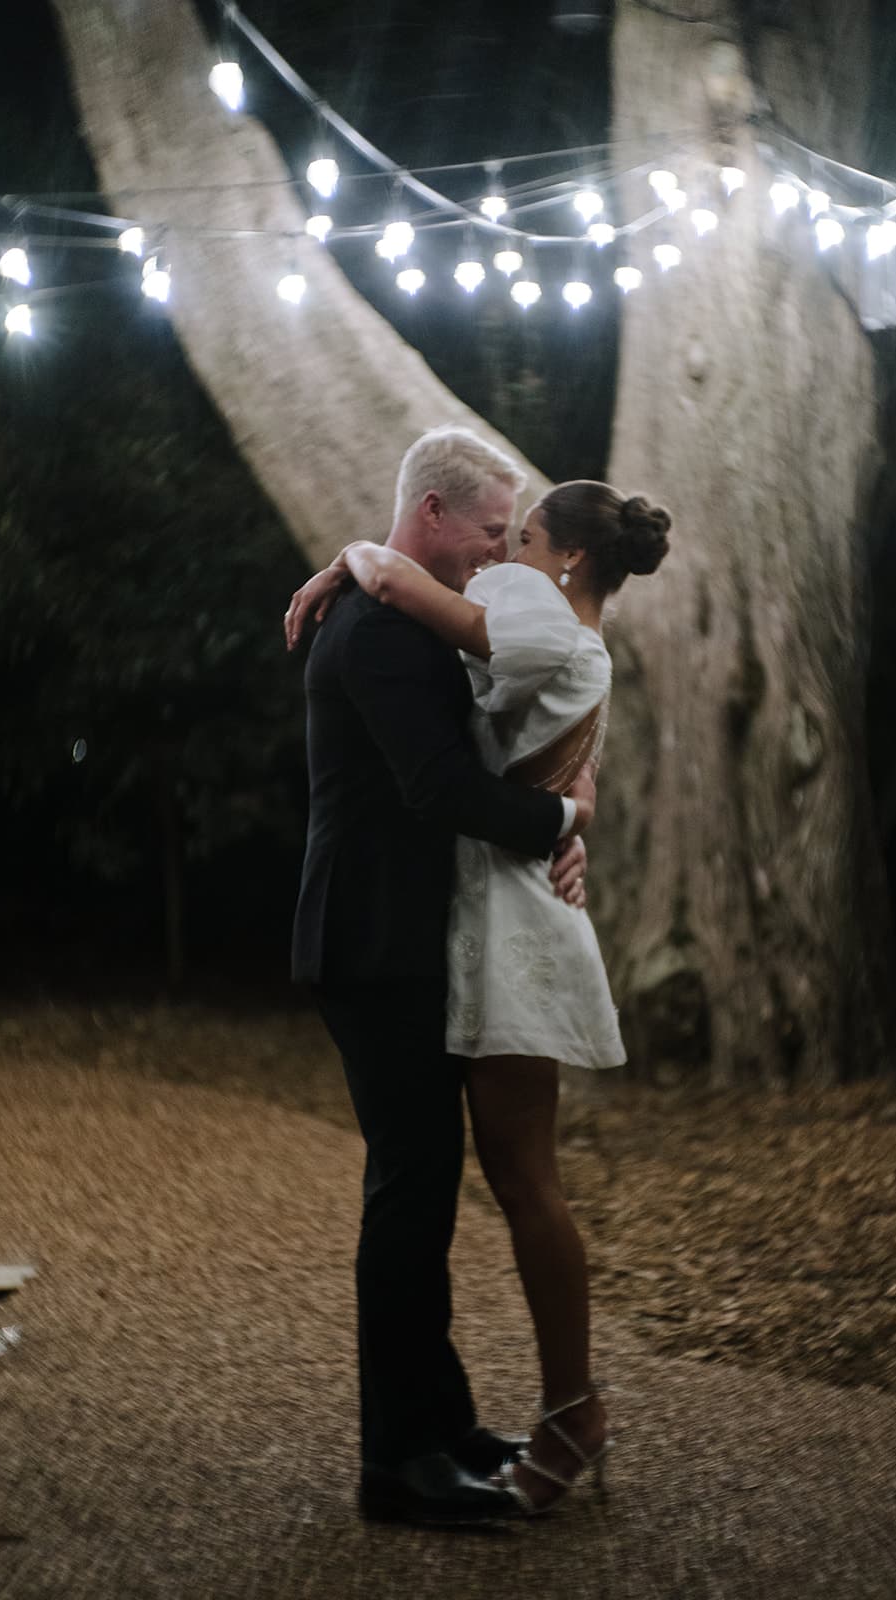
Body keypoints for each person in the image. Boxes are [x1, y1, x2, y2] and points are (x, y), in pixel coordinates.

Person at [289, 467, 671, 1518]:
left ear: (570, 556)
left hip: (498, 926)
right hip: (430, 929)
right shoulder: (471, 626)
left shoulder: (526, 622)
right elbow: (474, 778)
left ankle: (531, 1415)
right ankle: (423, 1445)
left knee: (502, 1179)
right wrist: (565, 819)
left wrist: (357, 558)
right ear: (433, 512)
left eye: (520, 536)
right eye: (495, 532)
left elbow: (494, 724)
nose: (502, 554)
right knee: (443, 1185)